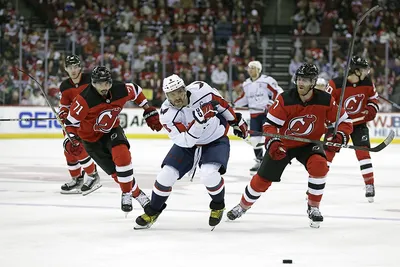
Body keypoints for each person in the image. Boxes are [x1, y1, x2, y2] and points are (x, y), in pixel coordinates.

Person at [226, 64, 353, 228]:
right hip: (284, 144)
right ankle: (242, 206)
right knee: (262, 179)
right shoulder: (285, 99)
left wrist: (341, 135)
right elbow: (269, 125)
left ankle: (313, 206)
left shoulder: (325, 99)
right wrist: (273, 142)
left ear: (313, 82)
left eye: (305, 80)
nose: (301, 83)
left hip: (309, 144)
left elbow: (344, 121)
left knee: (320, 166)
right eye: (299, 79)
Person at [134, 74, 248, 230]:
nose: (177, 97)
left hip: (215, 139)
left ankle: (217, 205)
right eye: (172, 94)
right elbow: (186, 141)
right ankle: (153, 210)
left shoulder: (202, 89)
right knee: (166, 174)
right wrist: (199, 121)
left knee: (209, 174)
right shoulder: (167, 113)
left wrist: (236, 121)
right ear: (166, 95)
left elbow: (221, 104)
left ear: (184, 88)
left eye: (179, 91)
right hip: (187, 145)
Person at [64, 66, 163, 212]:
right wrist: (71, 140)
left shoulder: (120, 89)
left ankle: (126, 193)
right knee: (117, 175)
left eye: (106, 83)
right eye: (99, 84)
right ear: (93, 83)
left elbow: (136, 90)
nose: (104, 87)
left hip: (111, 131)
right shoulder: (84, 100)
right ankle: (137, 193)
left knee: (122, 156)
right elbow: (70, 125)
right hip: (91, 142)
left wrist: (147, 108)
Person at [325, 56, 379, 202]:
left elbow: (374, 99)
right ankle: (315, 185)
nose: (367, 72)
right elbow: (324, 104)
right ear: (356, 71)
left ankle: (369, 185)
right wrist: (330, 122)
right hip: (340, 125)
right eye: (363, 69)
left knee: (363, 153)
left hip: (359, 124)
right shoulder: (335, 84)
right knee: (328, 154)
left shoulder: (367, 83)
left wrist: (371, 108)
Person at [58, 55, 99, 195]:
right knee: (69, 148)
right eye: (70, 67)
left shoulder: (90, 80)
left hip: (88, 121)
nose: (73, 70)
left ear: (80, 67)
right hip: (72, 121)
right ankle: (77, 179)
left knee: (79, 148)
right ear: (65, 69)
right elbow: (64, 106)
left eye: (75, 66)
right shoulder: (64, 86)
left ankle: (93, 176)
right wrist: (63, 113)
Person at [234, 60, 283, 173]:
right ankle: (260, 160)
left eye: (253, 68)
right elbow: (244, 98)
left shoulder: (267, 81)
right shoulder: (246, 84)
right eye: (249, 68)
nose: (250, 70)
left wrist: (271, 103)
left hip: (267, 114)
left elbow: (278, 92)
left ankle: (272, 161)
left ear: (258, 70)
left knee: (269, 138)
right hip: (254, 115)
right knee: (255, 140)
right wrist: (234, 104)